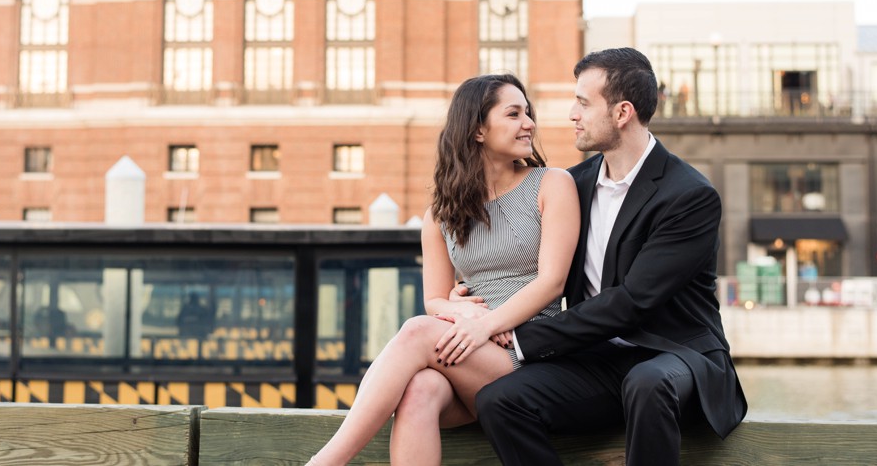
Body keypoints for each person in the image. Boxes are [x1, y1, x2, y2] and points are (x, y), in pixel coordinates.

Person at [472, 48, 747, 465]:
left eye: (583, 103)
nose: (571, 114)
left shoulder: (689, 195)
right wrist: (467, 299)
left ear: (622, 113)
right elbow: (525, 263)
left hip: (675, 356)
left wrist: (522, 338)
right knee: (499, 400)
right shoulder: (573, 185)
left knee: (646, 383)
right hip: (598, 359)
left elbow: (633, 302)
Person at [307, 73, 580, 465]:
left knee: (417, 330)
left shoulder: (552, 184)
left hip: (529, 354)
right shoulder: (440, 213)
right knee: (419, 389)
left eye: (528, 113)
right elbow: (434, 298)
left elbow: (552, 281)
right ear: (478, 130)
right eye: (514, 114)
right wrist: (461, 311)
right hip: (470, 351)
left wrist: (485, 323)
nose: (529, 123)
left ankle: (325, 462)